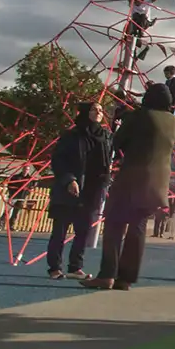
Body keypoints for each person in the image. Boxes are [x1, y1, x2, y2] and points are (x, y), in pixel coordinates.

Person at [93, 81, 175, 290]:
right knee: (137, 228)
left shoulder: (140, 116)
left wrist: (122, 116)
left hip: (132, 179)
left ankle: (107, 275)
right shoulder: (173, 122)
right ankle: (126, 279)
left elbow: (117, 142)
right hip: (157, 184)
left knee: (114, 224)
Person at [44, 103, 113, 279]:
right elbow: (58, 160)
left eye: (100, 109)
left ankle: (75, 267)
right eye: (94, 109)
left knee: (83, 231)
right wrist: (69, 179)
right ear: (85, 113)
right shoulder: (72, 136)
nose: (98, 112)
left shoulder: (105, 136)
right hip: (71, 187)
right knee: (60, 230)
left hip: (93, 188)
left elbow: (110, 159)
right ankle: (54, 267)